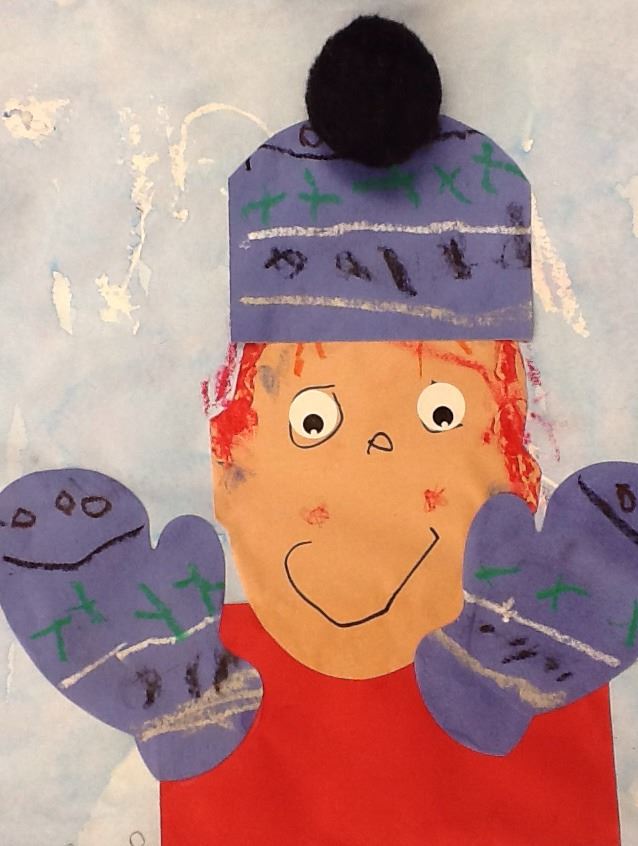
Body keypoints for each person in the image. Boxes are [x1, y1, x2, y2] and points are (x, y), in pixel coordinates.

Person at [161, 16, 621, 845]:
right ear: (227, 467)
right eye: (312, 420)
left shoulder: (555, 667)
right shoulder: (193, 687)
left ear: (518, 468)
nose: (375, 461)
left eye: (441, 415)